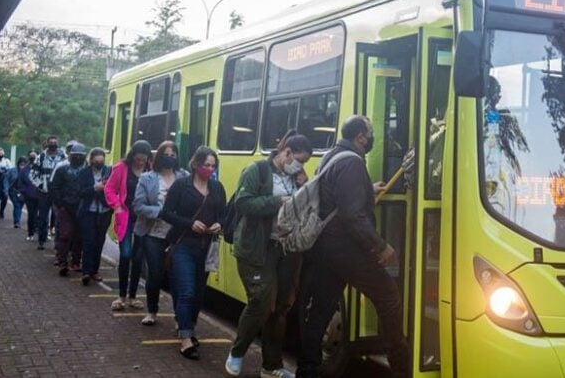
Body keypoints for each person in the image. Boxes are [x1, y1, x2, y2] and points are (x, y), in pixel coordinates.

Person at [296, 116, 408, 378]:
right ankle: (402, 367)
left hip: (325, 247)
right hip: (347, 249)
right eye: (370, 132)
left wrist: (367, 190)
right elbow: (352, 216)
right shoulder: (353, 163)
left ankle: (307, 369)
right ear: (361, 137)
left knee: (321, 309)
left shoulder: (333, 156)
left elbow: (336, 195)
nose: (371, 138)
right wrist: (381, 247)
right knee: (389, 297)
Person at [225, 131, 312, 378]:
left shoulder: (296, 178)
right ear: (285, 152)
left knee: (281, 308)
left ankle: (271, 366)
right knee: (261, 302)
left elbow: (307, 207)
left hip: (285, 250)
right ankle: (238, 351)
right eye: (299, 160)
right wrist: (277, 201)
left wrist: (303, 186)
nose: (300, 165)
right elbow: (242, 203)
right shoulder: (258, 171)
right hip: (257, 250)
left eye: (304, 162)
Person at [160, 146, 226, 360]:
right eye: (206, 165)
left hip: (206, 248)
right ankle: (186, 337)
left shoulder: (217, 188)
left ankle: (189, 324)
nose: (210, 169)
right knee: (186, 290)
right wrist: (190, 224)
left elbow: (224, 215)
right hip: (183, 244)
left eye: (213, 166)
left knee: (198, 293)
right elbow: (166, 213)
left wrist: (219, 224)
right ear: (196, 164)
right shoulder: (181, 186)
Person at [133, 141, 188, 325]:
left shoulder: (184, 177)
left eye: (173, 155)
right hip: (153, 234)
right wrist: (159, 212)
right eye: (166, 154)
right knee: (155, 274)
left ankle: (179, 317)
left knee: (177, 276)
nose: (170, 158)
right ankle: (152, 311)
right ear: (159, 156)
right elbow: (138, 206)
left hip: (177, 235)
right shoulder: (147, 178)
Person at [104, 140, 151, 311]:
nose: (140, 162)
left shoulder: (150, 170)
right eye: (138, 159)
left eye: (143, 160)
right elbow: (109, 188)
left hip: (143, 218)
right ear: (133, 156)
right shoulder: (121, 168)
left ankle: (132, 296)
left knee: (138, 258)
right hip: (125, 216)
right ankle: (121, 296)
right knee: (125, 254)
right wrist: (116, 205)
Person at [50, 143, 87, 276]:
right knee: (65, 235)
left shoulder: (87, 170)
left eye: (80, 156)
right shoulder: (62, 169)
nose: (78, 158)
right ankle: (62, 262)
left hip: (82, 208)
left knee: (79, 237)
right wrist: (60, 204)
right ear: (70, 156)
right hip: (66, 207)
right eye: (75, 155)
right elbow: (54, 188)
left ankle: (76, 262)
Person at [78, 147, 112, 285]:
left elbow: (114, 189)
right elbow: (80, 192)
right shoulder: (83, 173)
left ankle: (94, 270)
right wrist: (94, 188)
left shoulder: (109, 172)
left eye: (101, 161)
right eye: (96, 161)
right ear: (91, 160)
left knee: (99, 241)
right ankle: (86, 271)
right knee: (88, 241)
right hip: (88, 212)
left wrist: (105, 190)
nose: (99, 163)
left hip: (104, 211)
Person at [31, 136, 66, 250]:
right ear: (47, 143)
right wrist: (40, 185)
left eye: (55, 142)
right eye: (50, 142)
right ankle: (42, 240)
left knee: (58, 217)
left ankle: (58, 243)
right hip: (44, 192)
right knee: (43, 217)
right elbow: (32, 174)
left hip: (58, 192)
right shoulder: (40, 157)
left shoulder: (63, 156)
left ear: (58, 143)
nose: (52, 144)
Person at [19, 151, 40, 240]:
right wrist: (24, 191)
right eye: (31, 156)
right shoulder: (24, 170)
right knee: (31, 214)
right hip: (29, 196)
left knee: (41, 215)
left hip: (40, 195)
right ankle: (30, 232)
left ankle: (41, 232)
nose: (32, 158)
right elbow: (21, 182)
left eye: (34, 156)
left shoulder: (40, 169)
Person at [6, 157, 27, 229]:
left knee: (20, 206)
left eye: (24, 165)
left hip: (23, 192)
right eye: (21, 164)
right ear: (18, 164)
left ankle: (17, 220)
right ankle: (17, 222)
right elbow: (6, 180)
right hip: (13, 191)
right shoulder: (12, 171)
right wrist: (6, 190)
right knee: (17, 205)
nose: (22, 166)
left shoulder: (27, 172)